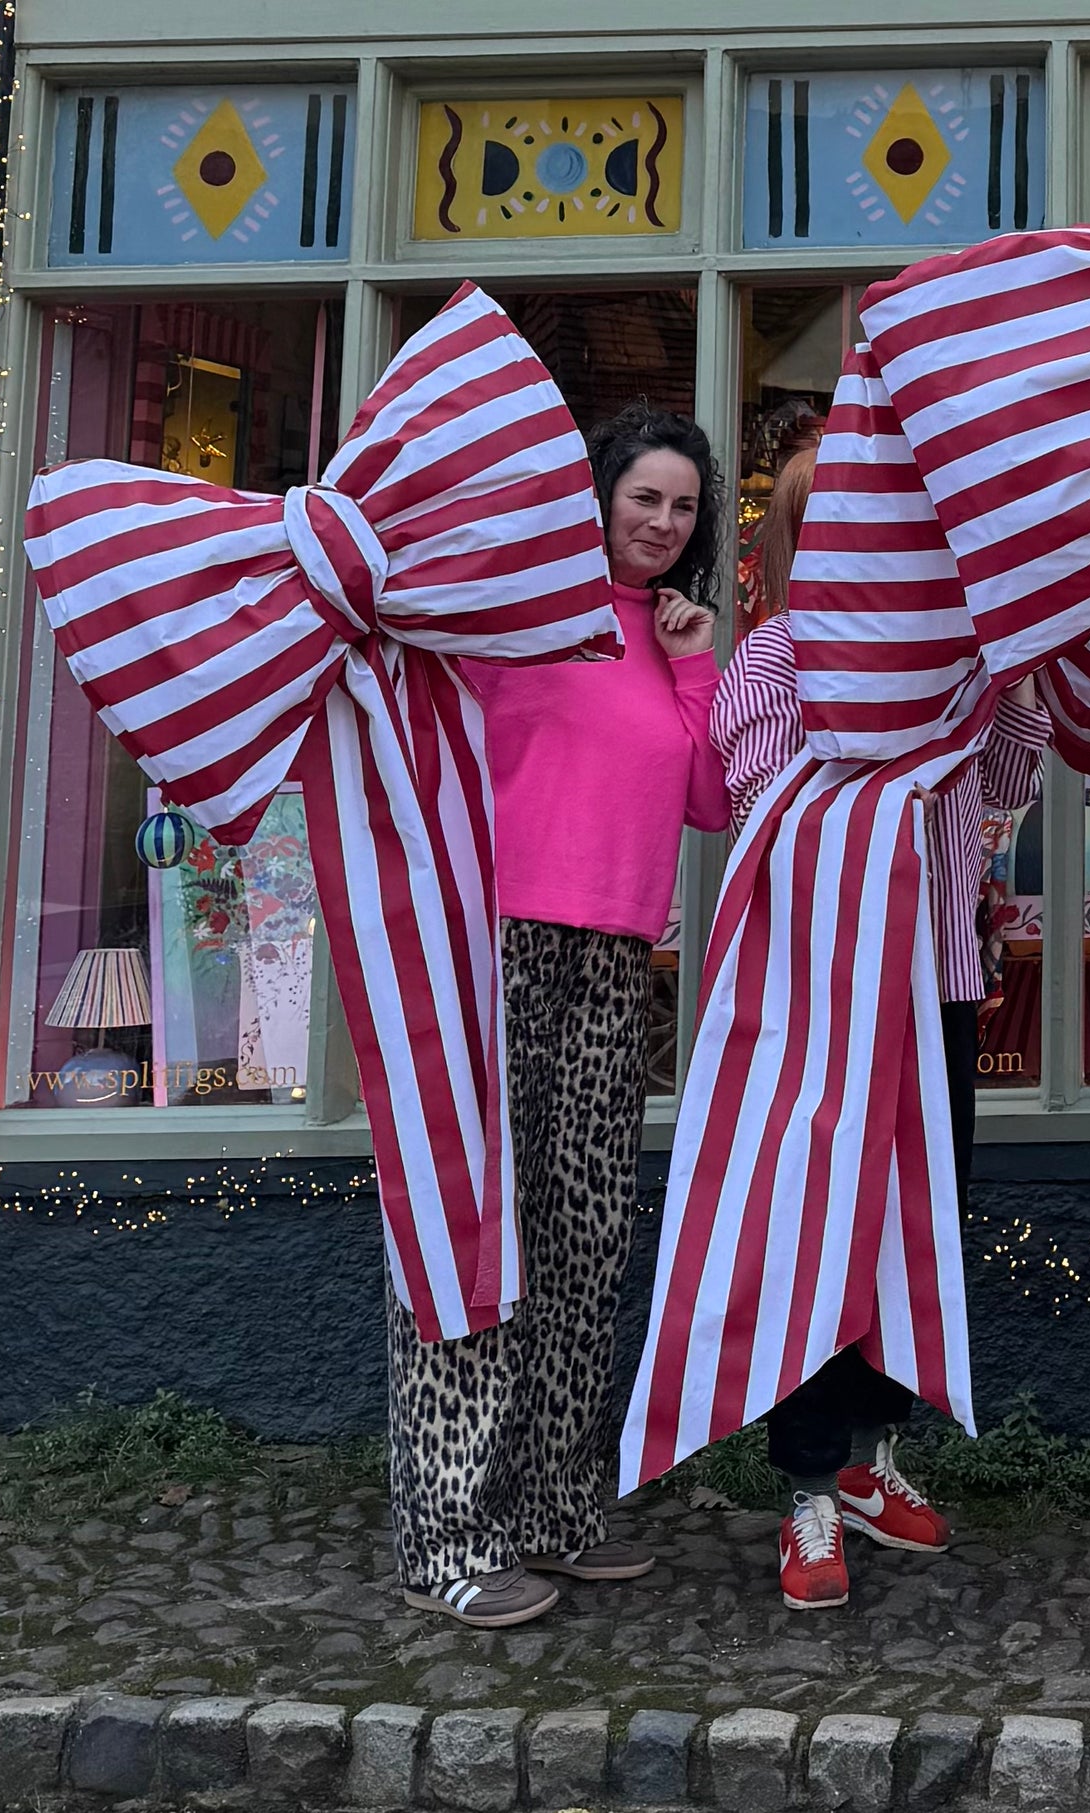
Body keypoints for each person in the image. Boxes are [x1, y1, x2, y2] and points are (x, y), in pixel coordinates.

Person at [388, 403, 730, 1628]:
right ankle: (445, 1540)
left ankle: (548, 1513)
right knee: (477, 1237)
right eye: (646, 497)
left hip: (614, 957)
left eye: (684, 507)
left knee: (583, 1242)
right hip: (498, 943)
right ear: (600, 496)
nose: (663, 523)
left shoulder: (672, 634)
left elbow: (708, 799)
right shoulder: (520, 610)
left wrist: (695, 658)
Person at [709, 444, 1054, 1611]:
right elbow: (768, 801)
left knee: (917, 1239)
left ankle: (869, 1459)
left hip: (940, 990)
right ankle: (807, 1487)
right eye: (829, 519)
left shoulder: (956, 662)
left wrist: (1016, 668)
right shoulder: (770, 658)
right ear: (797, 539)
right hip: (823, 999)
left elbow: (1010, 778)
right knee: (818, 1237)